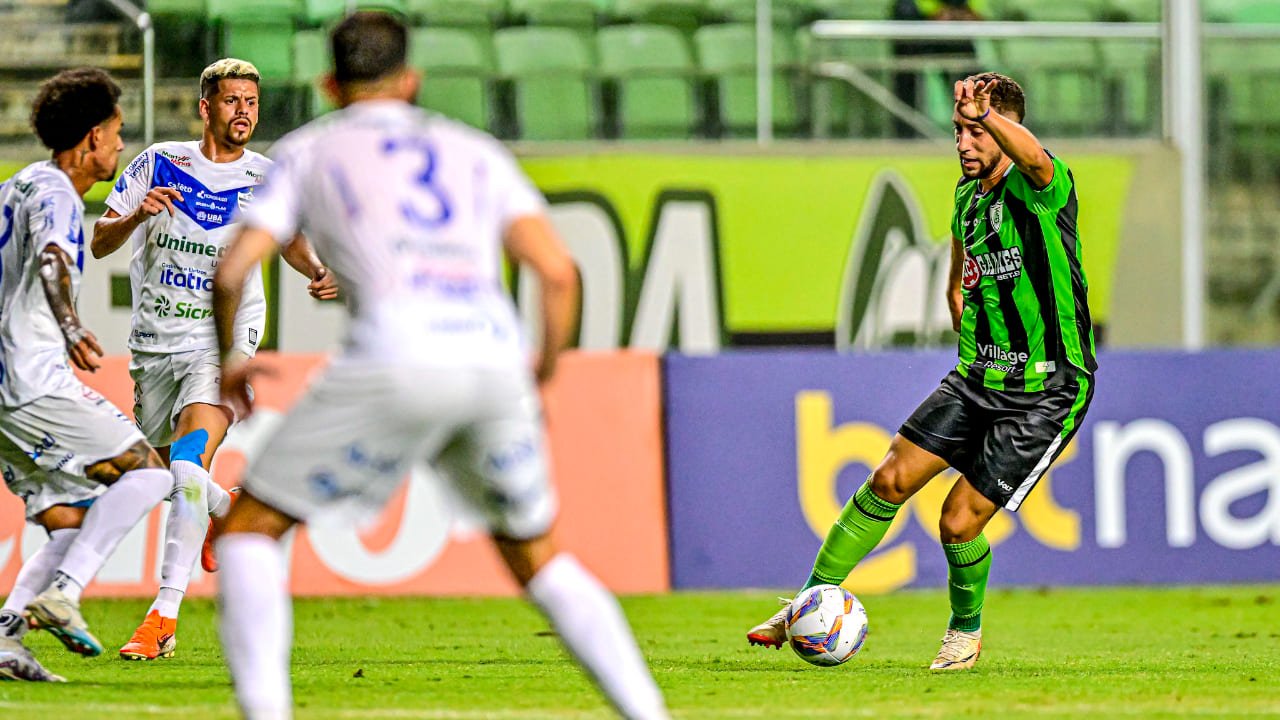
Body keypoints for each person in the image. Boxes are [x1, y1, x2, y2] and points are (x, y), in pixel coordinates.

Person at [209, 13, 669, 720]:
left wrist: (231, 359)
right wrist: (542, 370)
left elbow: (233, 268)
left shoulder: (309, 151)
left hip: (395, 358)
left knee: (248, 529)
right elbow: (557, 272)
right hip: (491, 363)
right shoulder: (474, 149)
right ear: (413, 79)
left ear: (329, 83)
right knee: (538, 555)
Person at [747, 73, 1096, 671]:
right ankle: (807, 602)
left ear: (1006, 131)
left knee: (957, 522)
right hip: (978, 375)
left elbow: (1034, 158)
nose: (963, 143)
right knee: (887, 478)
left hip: (1046, 391)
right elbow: (963, 261)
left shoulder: (1044, 188)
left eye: (977, 132)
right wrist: (958, 293)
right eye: (959, 131)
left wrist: (992, 119)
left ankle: (965, 632)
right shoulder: (967, 198)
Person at [91, 58, 336, 663]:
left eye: (251, 102)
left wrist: (318, 271)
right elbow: (99, 241)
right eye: (232, 102)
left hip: (224, 339)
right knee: (154, 476)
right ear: (207, 107)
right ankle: (225, 512)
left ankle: (163, 617)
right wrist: (135, 215)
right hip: (154, 342)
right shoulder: (159, 163)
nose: (244, 112)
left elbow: (289, 241)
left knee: (186, 459)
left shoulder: (265, 176)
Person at [0, 68, 175, 681]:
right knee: (152, 473)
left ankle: (7, 637)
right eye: (118, 133)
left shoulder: (16, 186)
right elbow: (52, 259)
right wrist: (71, 324)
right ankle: (66, 593)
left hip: (4, 391)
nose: (121, 146)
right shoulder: (55, 195)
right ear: (92, 137)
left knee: (70, 518)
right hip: (34, 379)